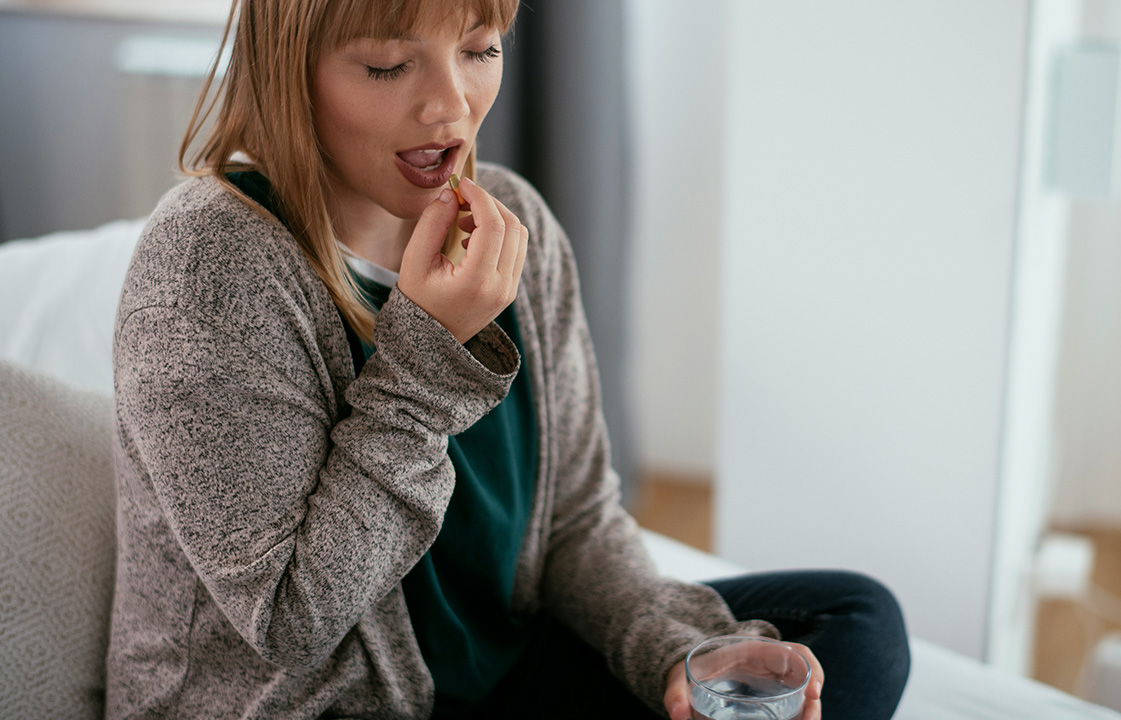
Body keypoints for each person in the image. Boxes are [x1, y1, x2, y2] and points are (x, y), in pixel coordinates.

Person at [106, 0, 911, 718]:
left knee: (855, 621)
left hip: (507, 675)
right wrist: (428, 357)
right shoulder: (208, 262)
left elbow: (577, 523)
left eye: (480, 48)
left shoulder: (516, 220)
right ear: (291, 70)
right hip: (322, 703)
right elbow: (292, 620)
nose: (451, 106)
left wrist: (671, 651)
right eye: (388, 63)